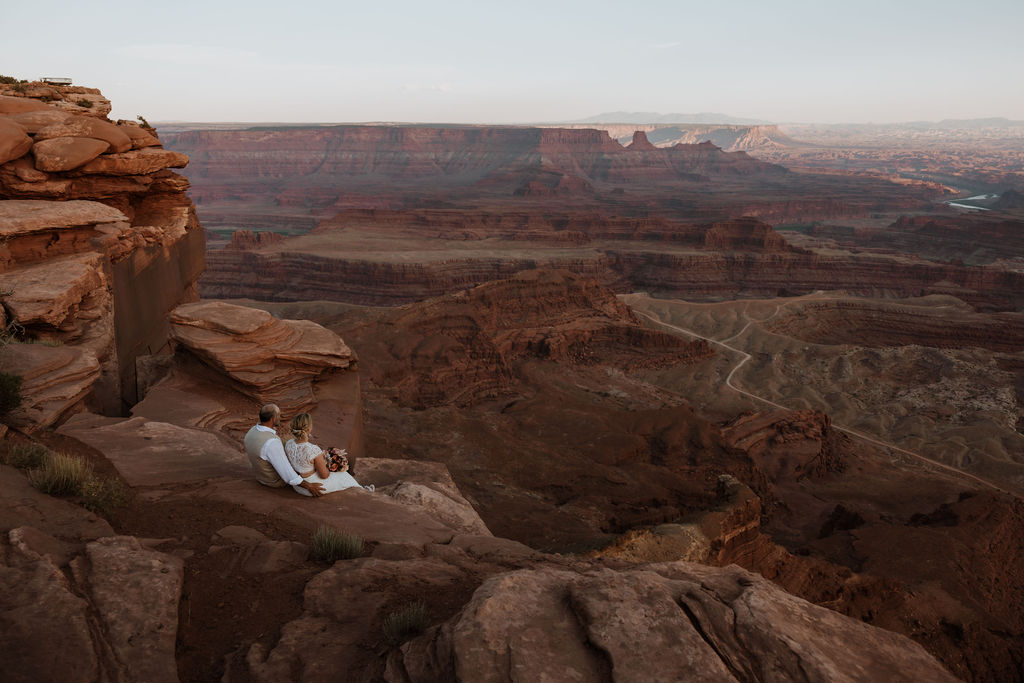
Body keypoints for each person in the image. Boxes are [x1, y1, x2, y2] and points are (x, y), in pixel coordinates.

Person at [243, 404, 325, 497]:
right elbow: (287, 475)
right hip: (274, 481)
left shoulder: (252, 431)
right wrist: (309, 486)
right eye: (279, 415)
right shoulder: (272, 442)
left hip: (260, 476)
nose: (280, 417)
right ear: (273, 418)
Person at [285, 412, 373, 496]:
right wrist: (327, 465)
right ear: (308, 429)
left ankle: (362, 489)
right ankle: (363, 491)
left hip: (298, 486)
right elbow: (324, 475)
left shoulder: (288, 444)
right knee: (344, 475)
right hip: (314, 487)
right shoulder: (313, 450)